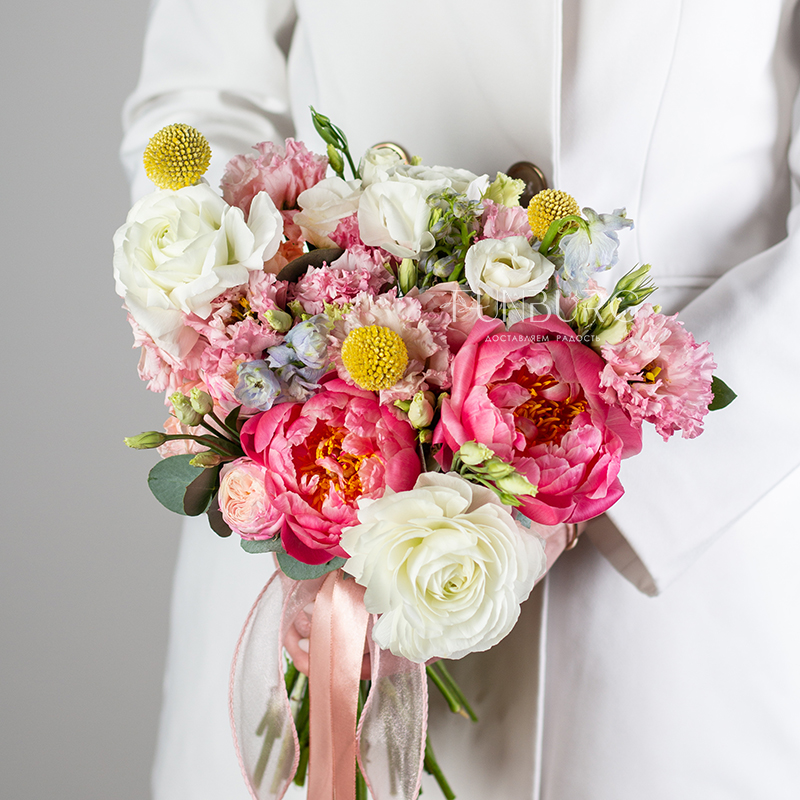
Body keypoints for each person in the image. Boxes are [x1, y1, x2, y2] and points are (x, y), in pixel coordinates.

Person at [121, 1, 800, 797]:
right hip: (315, 454)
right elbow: (200, 100)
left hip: (694, 521)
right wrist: (277, 378)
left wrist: (579, 475)